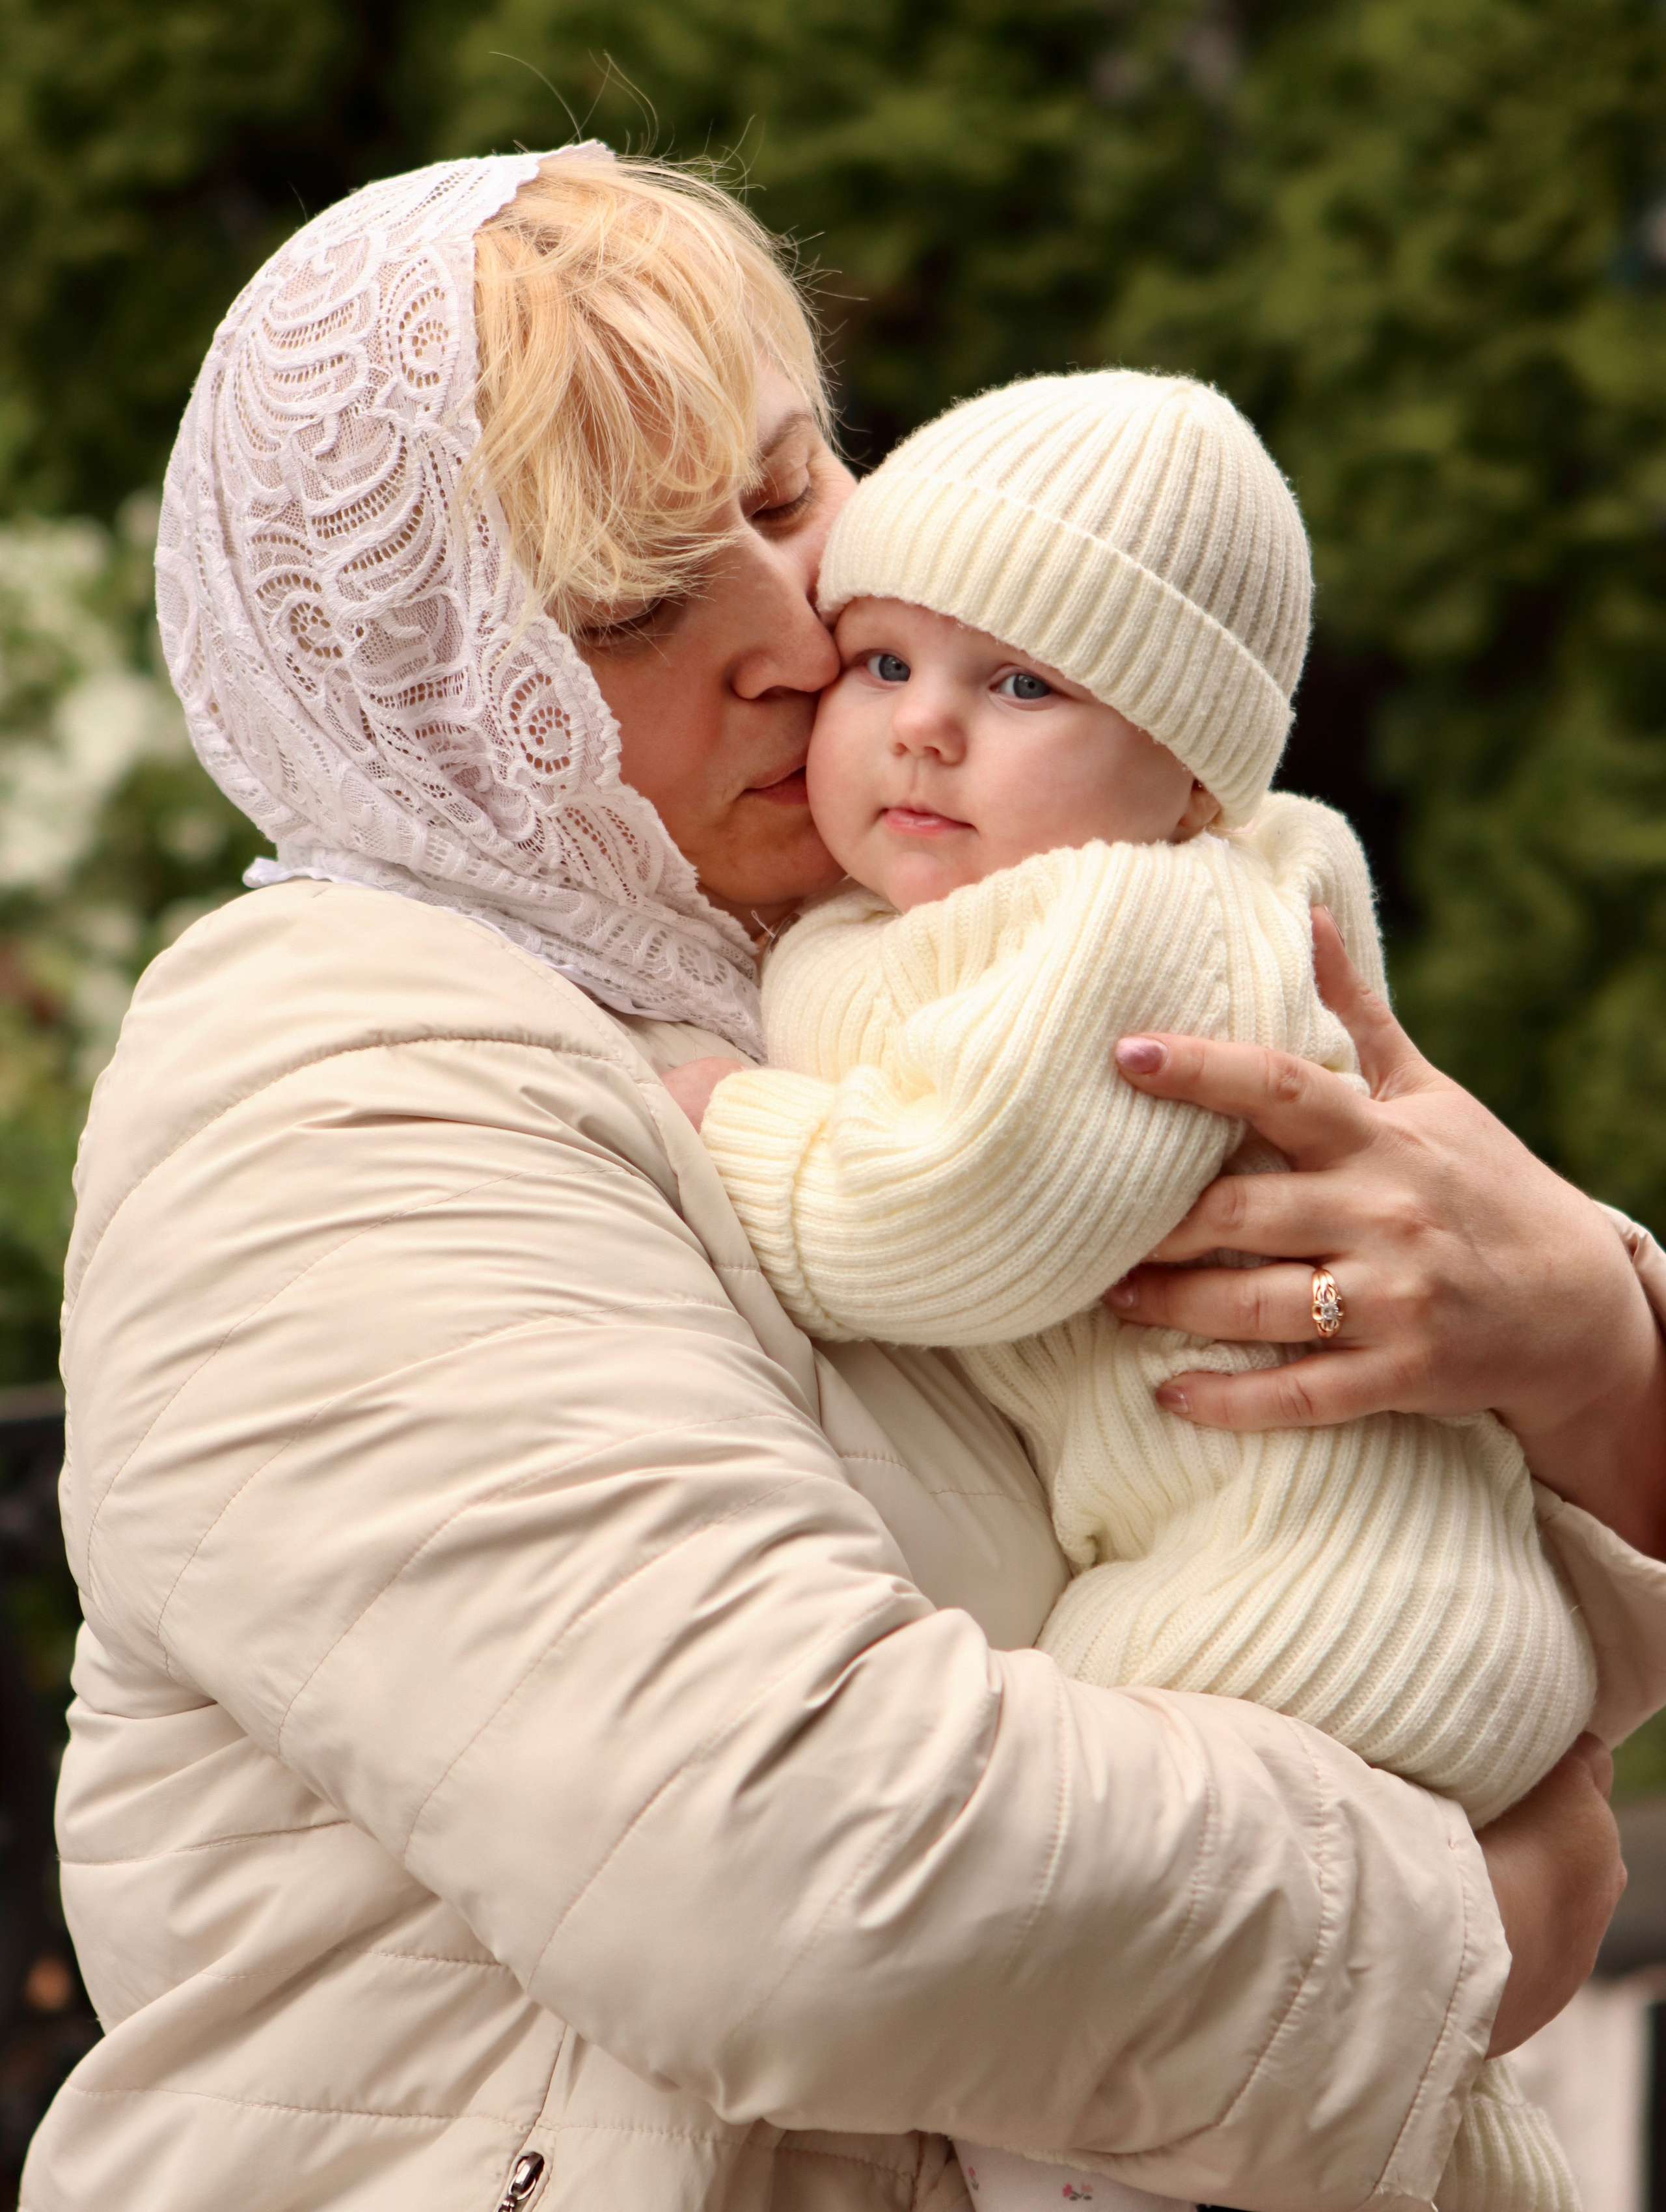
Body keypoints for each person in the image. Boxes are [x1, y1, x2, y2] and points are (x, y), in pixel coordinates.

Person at [16, 146, 1661, 2212]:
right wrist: (1463, 1926)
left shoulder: (909, 962)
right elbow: (784, 1865)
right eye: (625, 605)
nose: (798, 630)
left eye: (791, 490)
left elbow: (1362, 1533)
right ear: (436, 694)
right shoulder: (328, 1073)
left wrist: (1601, 1357)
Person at [677, 369, 1598, 2212]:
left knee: (1070, 2064)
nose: (927, 731)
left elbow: (951, 1213)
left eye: (1021, 686)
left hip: (1303, 1614)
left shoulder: (1137, 919)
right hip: (1274, 1585)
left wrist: (722, 1123)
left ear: (1186, 771)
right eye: (885, 665)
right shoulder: (953, 910)